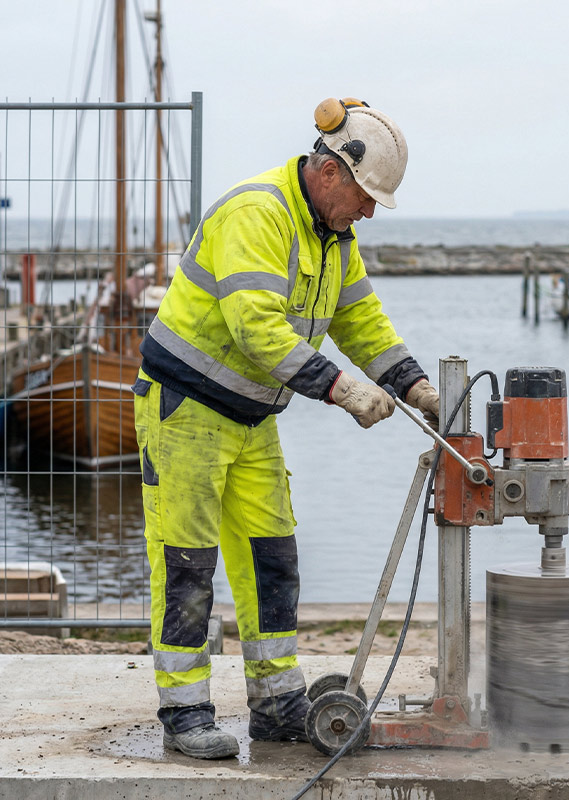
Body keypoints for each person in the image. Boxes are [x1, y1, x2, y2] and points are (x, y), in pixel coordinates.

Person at [132, 97, 439, 759]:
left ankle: (276, 705)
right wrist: (343, 388)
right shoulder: (257, 213)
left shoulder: (333, 239)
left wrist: (415, 384)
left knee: (272, 562)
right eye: (364, 198)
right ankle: (185, 714)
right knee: (186, 568)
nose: (366, 213)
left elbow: (361, 322)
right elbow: (257, 330)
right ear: (330, 172)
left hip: (249, 420)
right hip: (184, 409)